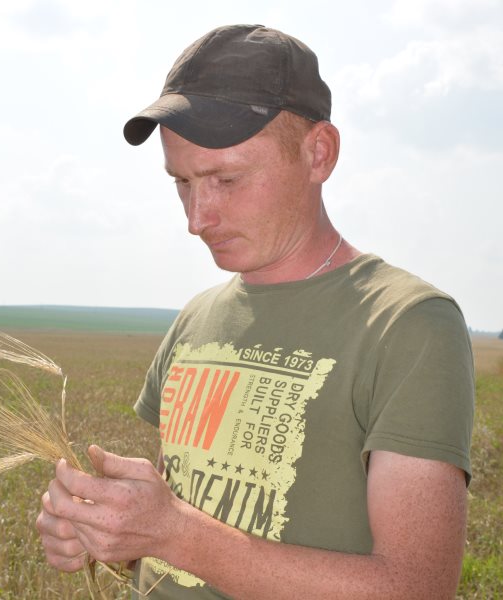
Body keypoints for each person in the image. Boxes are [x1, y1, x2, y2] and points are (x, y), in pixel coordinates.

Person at [36, 24, 474, 599]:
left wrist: (172, 533)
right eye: (182, 183)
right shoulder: (196, 321)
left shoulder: (408, 325)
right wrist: (108, 533)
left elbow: (414, 588)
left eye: (226, 179)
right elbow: (190, 551)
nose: (197, 217)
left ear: (319, 153)